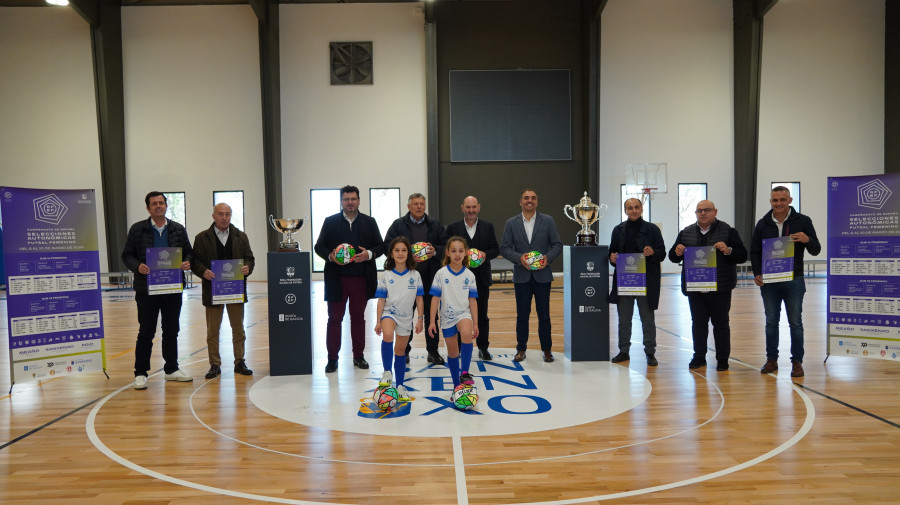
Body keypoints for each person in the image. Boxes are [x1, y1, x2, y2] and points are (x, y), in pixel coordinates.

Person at [121, 191, 194, 389]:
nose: (158, 206)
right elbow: (127, 255)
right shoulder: (137, 230)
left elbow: (188, 251)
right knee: (146, 331)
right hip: (147, 290)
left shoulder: (178, 229)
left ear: (166, 206)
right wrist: (138, 266)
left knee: (172, 330)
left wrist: (187, 261)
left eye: (161, 203)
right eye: (154, 204)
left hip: (172, 288)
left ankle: (171, 369)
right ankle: (140, 372)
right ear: (148, 208)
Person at [668, 200, 747, 371]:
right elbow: (673, 257)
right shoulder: (686, 232)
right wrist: (677, 251)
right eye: (699, 211)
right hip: (695, 288)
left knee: (721, 324)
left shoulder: (728, 230)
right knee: (698, 323)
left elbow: (742, 255)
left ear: (715, 211)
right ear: (696, 213)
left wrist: (728, 250)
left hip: (720, 288)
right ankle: (699, 356)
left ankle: (722, 359)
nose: (703, 213)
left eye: (707, 210)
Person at [750, 186, 821, 378]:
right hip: (769, 282)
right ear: (771, 201)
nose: (779, 203)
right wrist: (757, 272)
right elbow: (754, 250)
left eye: (782, 200)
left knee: (795, 322)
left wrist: (807, 239)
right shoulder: (763, 223)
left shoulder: (803, 221)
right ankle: (771, 359)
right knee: (771, 322)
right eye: (775, 200)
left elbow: (816, 249)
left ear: (789, 200)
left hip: (794, 280)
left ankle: (797, 362)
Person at [314, 185, 384, 373]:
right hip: (337, 279)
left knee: (358, 319)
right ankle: (332, 359)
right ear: (341, 202)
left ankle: (358, 356)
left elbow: (381, 245)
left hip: (361, 279)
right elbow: (318, 246)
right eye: (346, 199)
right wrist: (331, 256)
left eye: (353, 199)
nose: (350, 202)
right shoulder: (330, 222)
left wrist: (368, 254)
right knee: (334, 319)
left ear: (359, 201)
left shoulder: (370, 222)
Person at [191, 203, 256, 379]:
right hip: (212, 290)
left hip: (235, 289)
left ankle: (240, 361)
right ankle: (214, 364)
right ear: (213, 216)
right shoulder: (201, 238)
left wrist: (247, 268)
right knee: (213, 330)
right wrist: (203, 271)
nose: (224, 217)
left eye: (227, 214)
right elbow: (195, 261)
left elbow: (249, 258)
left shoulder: (240, 237)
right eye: (220, 214)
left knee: (238, 329)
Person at [499, 189, 563, 363]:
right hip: (522, 276)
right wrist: (519, 258)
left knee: (544, 315)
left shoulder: (548, 221)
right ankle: (521, 349)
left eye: (533, 198)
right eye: (526, 198)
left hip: (542, 275)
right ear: (520, 202)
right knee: (522, 315)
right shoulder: (511, 223)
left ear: (537, 202)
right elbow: (504, 248)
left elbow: (557, 244)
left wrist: (547, 258)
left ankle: (547, 350)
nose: (530, 200)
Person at [383, 193, 446, 365]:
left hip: (430, 277)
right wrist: (404, 251)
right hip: (406, 280)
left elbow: (446, 245)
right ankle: (405, 351)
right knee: (406, 315)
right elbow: (387, 245)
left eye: (422, 204)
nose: (419, 207)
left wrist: (436, 251)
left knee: (431, 315)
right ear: (408, 206)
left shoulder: (434, 224)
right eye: (416, 204)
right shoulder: (398, 225)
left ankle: (433, 351)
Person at [608, 198, 666, 366]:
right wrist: (612, 257)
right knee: (624, 319)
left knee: (648, 319)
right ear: (625, 210)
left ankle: (650, 352)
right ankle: (624, 351)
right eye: (629, 208)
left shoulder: (652, 229)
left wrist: (653, 251)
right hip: (625, 280)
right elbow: (613, 253)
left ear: (641, 209)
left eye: (636, 207)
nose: (633, 210)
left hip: (646, 281)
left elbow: (662, 253)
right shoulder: (618, 230)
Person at [443, 196, 500, 360]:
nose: (471, 210)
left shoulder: (487, 226)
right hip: (457, 280)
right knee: (459, 314)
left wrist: (484, 254)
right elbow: (446, 249)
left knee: (481, 314)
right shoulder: (453, 227)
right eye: (468, 207)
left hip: (481, 279)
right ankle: (459, 348)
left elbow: (495, 249)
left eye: (474, 207)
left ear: (479, 207)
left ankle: (483, 347)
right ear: (462, 208)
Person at [374, 236, 424, 401]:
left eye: (404, 250)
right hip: (389, 313)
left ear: (408, 253)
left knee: (400, 351)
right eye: (397, 250)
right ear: (391, 253)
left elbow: (419, 299)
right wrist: (378, 320)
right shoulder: (386, 275)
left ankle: (400, 385)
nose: (400, 253)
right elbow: (381, 300)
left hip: (406, 318)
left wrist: (420, 319)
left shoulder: (415, 275)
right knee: (388, 335)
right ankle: (387, 372)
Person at [428, 236, 479, 392]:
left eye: (461, 251)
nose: (457, 254)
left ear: (466, 254)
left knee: (465, 332)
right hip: (447, 317)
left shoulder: (470, 276)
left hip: (464, 314)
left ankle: (465, 372)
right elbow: (435, 299)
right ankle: (457, 385)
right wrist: (431, 321)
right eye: (454, 251)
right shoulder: (441, 274)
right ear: (448, 253)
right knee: (453, 352)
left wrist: (475, 323)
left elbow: (472, 301)